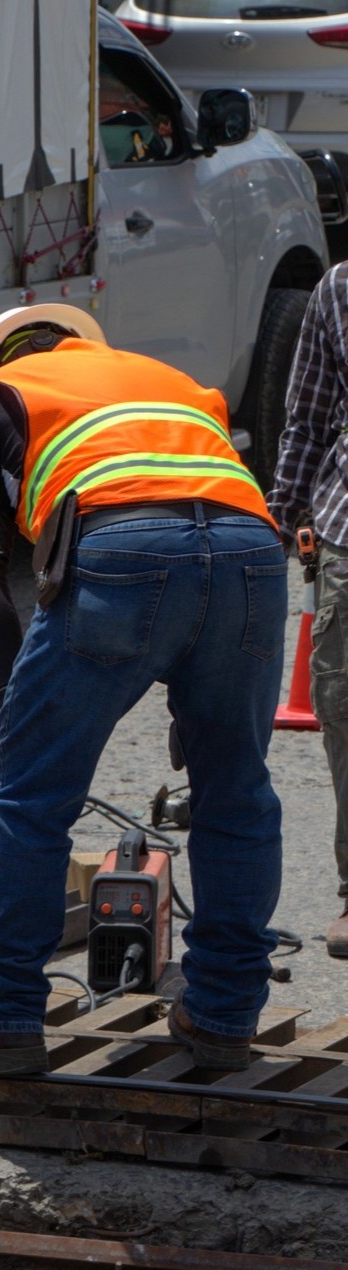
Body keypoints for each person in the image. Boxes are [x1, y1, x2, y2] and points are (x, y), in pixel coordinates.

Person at [0, 304, 287, 1075]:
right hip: (253, 550)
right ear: (82, 343)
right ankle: (222, 1015)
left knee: (29, 798)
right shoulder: (171, 382)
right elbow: (205, 524)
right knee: (236, 791)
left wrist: (12, 698)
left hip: (123, 547)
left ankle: (0, 1015)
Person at [266, 262, 348, 957]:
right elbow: (309, 417)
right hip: (347, 531)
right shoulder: (339, 289)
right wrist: (276, 515)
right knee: (344, 711)